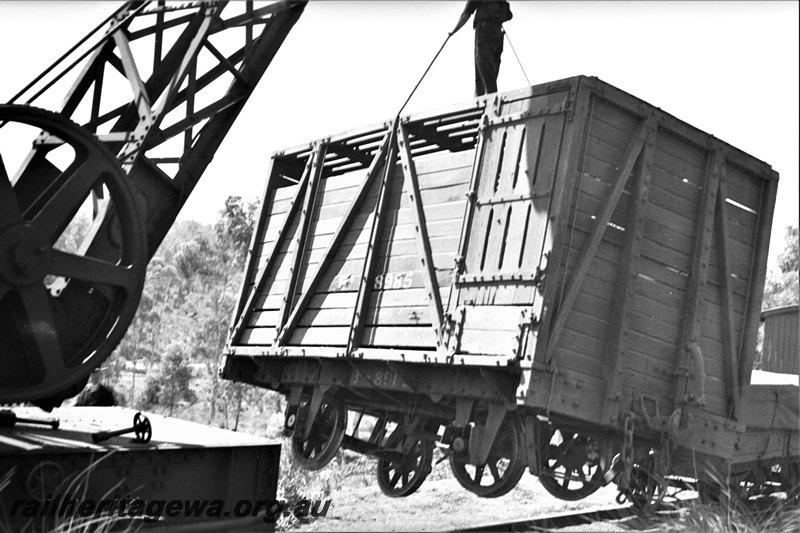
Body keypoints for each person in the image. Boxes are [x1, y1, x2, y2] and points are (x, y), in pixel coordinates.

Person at [450, 1, 513, 96]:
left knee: (484, 69)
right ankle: (483, 97)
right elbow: (509, 15)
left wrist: (453, 31)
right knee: (491, 70)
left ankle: (487, 99)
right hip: (497, 34)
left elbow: (466, 14)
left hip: (484, 31)